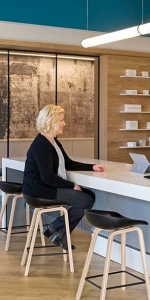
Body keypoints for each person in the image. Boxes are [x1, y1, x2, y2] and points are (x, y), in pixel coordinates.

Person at [21, 104, 106, 250]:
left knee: (88, 196)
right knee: (85, 199)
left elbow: (68, 163)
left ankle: (59, 232)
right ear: (51, 121)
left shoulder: (53, 141)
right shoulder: (42, 144)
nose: (64, 123)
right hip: (39, 191)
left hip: (44, 188)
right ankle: (57, 229)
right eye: (61, 120)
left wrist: (91, 167)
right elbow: (48, 177)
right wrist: (72, 186)